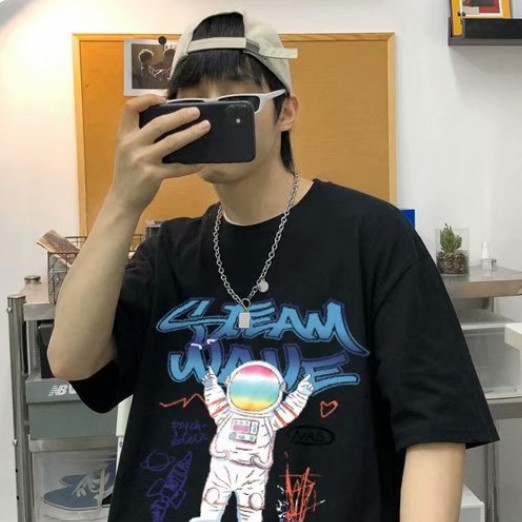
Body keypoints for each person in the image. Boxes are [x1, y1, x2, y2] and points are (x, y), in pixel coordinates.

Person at [48, 9, 499, 522]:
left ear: (286, 112)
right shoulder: (168, 251)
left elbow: (435, 428)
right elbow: (71, 360)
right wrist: (123, 199)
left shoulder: (373, 236)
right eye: (193, 103)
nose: (211, 118)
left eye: (235, 101)